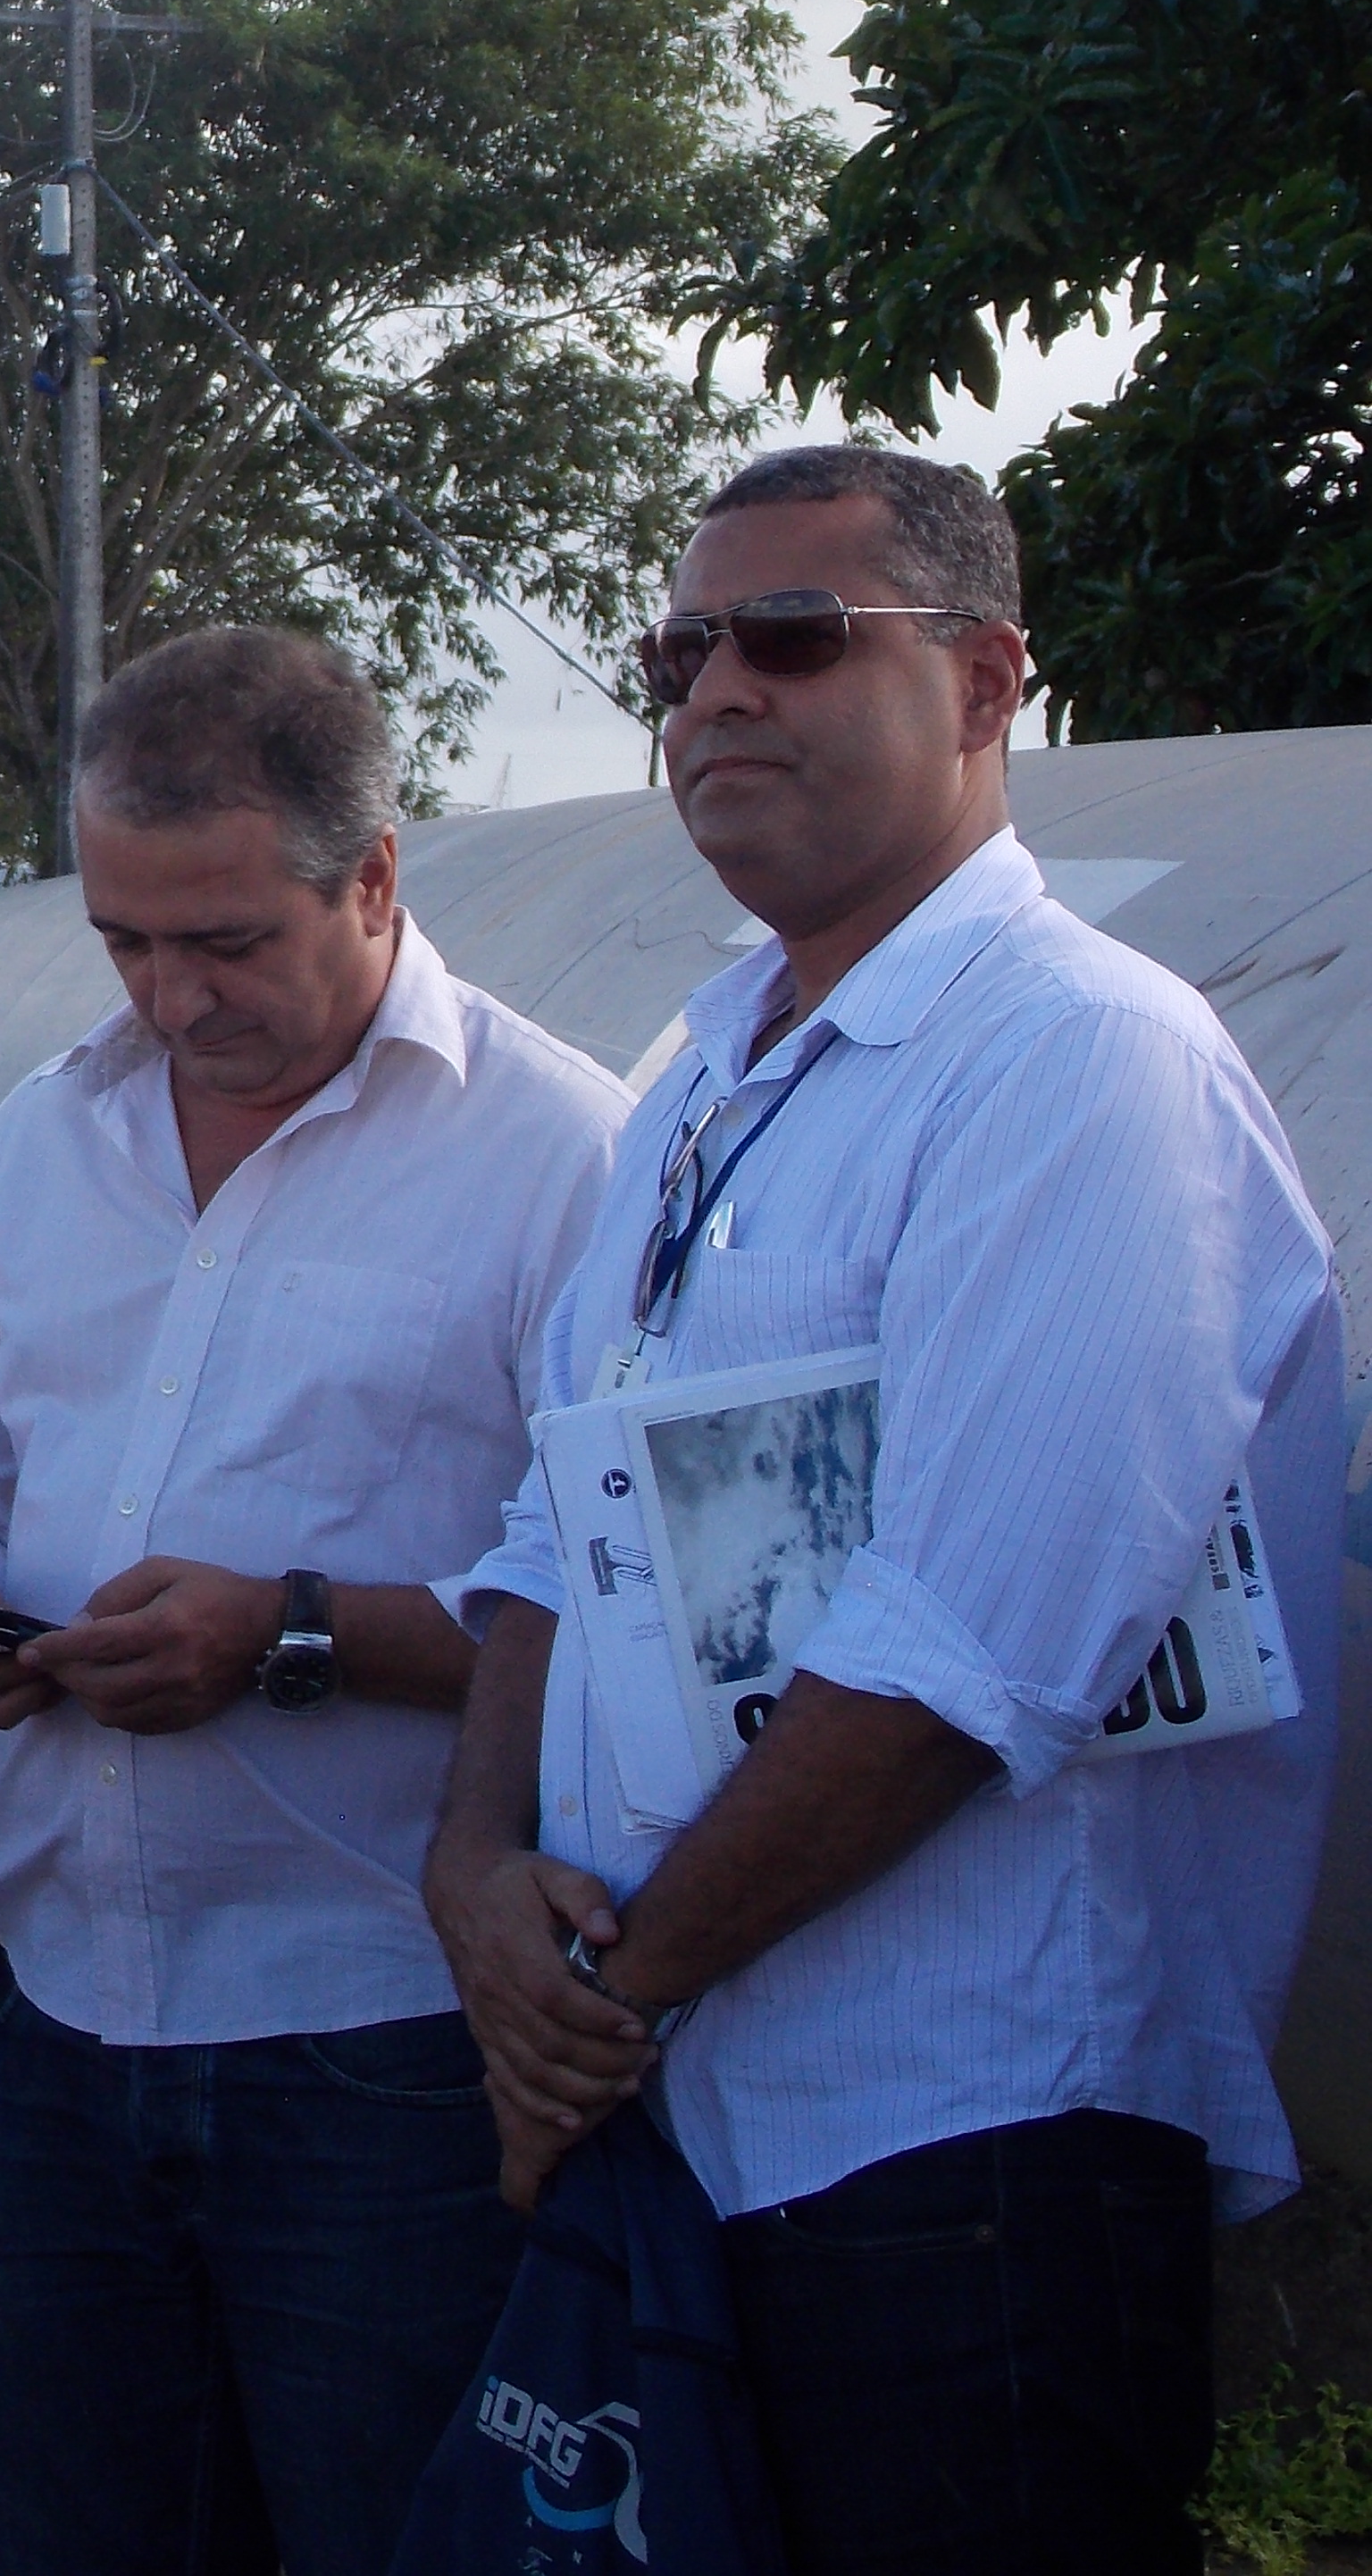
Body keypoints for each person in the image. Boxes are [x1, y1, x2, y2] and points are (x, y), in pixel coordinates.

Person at [426, 447, 1343, 2576]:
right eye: (682, 652)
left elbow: (962, 1656)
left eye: (795, 638)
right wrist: (472, 1868)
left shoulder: (1078, 1062)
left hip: (970, 2145)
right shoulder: (699, 1081)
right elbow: (559, 1523)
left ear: (989, 680)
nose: (715, 694)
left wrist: (601, 2000)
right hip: (697, 2108)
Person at [0, 628, 632, 2576]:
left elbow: (620, 1600)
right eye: (125, 942)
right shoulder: (46, 1136)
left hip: (383, 2050)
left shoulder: (565, 1155)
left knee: (391, 2534)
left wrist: (293, 1632)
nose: (175, 998)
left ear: (372, 881)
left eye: (230, 945)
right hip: (63, 2026)